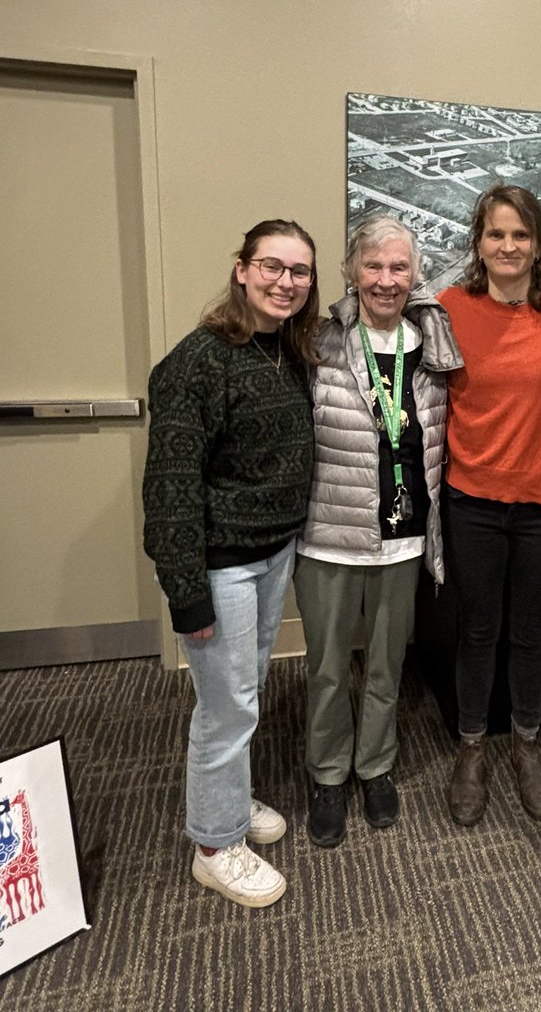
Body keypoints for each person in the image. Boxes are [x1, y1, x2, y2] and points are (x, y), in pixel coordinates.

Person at [142, 219, 318, 908]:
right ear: (241, 269)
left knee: (241, 694)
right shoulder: (197, 363)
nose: (285, 282)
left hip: (273, 552)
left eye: (299, 272)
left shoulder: (288, 351)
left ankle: (230, 805)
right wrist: (186, 592)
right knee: (228, 706)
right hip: (220, 565)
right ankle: (214, 845)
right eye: (272, 266)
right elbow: (170, 488)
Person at [295, 216, 462, 848]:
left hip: (406, 536)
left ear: (415, 274)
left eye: (398, 267)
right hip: (330, 535)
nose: (386, 280)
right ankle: (328, 774)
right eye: (373, 266)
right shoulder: (322, 342)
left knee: (388, 665)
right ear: (351, 270)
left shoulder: (433, 345)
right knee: (330, 667)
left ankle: (375, 766)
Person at [438, 184, 541, 827]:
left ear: (539, 245)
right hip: (472, 500)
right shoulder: (448, 309)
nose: (508, 246)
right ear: (479, 242)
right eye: (496, 234)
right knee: (477, 631)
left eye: (520, 235)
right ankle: (472, 747)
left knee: (531, 635)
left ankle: (525, 743)